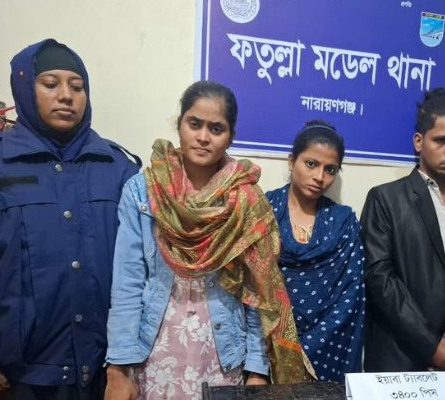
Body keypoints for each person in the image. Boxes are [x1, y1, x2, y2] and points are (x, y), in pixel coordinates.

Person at [0, 39, 141, 399]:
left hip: (107, 374)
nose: (66, 96)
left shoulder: (118, 168)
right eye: (50, 84)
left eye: (77, 87)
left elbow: (141, 268)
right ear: (24, 89)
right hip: (21, 377)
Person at [104, 81, 315, 400]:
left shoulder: (246, 200)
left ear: (230, 136)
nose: (203, 137)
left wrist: (257, 369)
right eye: (194, 124)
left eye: (216, 128)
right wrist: (118, 368)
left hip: (222, 358)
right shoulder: (144, 191)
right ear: (180, 125)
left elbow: (257, 292)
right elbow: (127, 283)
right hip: (155, 354)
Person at [360, 88, 445, 374]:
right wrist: (429, 344)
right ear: (418, 142)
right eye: (441, 140)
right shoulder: (385, 200)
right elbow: (380, 279)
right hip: (400, 359)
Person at [265, 121, 365, 382]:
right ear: (292, 161)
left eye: (330, 169)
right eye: (311, 164)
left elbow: (351, 292)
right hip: (266, 345)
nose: (320, 177)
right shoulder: (265, 209)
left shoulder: (343, 222)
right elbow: (252, 285)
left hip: (328, 350)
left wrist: (306, 346)